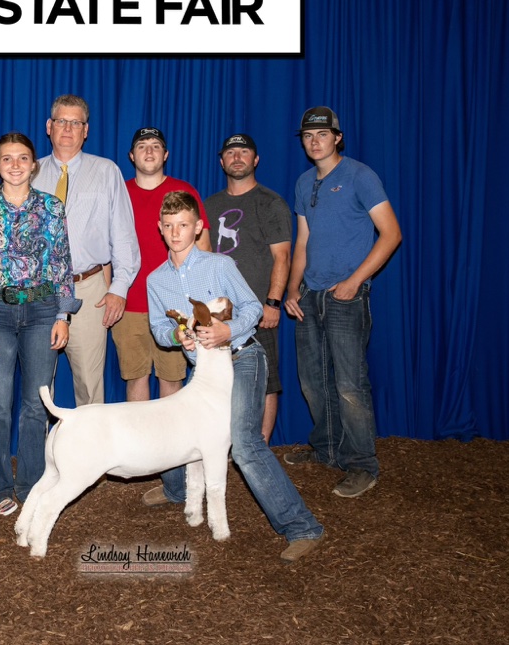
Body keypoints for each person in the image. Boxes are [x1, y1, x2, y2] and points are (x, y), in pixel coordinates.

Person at [146, 191, 324, 563]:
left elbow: (251, 308)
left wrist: (228, 331)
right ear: (160, 229)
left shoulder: (220, 265)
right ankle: (178, 490)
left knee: (243, 444)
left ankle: (302, 526)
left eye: (183, 225)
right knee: (177, 427)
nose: (176, 233)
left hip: (243, 356)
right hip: (204, 371)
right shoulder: (156, 280)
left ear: (198, 228)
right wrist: (177, 335)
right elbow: (160, 329)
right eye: (169, 226)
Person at [283, 107, 402, 499]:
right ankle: (327, 449)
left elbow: (391, 234)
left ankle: (363, 464)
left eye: (322, 134)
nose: (314, 141)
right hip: (310, 296)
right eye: (308, 135)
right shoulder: (304, 183)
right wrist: (293, 289)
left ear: (337, 137)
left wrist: (355, 281)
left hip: (346, 296)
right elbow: (303, 241)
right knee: (313, 380)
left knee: (350, 383)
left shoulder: (360, 175)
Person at [0, 132, 81, 517]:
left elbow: (61, 262)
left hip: (43, 311)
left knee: (36, 404)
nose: (15, 165)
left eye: (22, 158)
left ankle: (32, 486)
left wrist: (63, 316)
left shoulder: (51, 207)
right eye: (7, 159)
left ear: (34, 165)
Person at [30, 94, 140, 406]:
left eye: (75, 123)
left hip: (88, 289)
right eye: (61, 121)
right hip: (39, 290)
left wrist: (119, 288)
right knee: (38, 389)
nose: (67, 128)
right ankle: (42, 441)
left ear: (86, 130)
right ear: (49, 126)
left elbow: (124, 235)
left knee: (91, 389)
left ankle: (92, 442)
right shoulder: (29, 172)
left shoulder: (107, 171)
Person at [205, 134, 292, 444]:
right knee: (220, 380)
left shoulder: (270, 203)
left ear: (255, 160)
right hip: (218, 312)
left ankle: (261, 445)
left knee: (265, 379)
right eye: (231, 152)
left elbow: (282, 257)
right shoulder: (210, 205)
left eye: (244, 152)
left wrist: (273, 302)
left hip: (256, 309)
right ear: (222, 161)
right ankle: (225, 443)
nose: (237, 157)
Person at [114, 126, 210, 402]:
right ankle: (141, 434)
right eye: (142, 146)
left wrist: (197, 302)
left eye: (156, 146)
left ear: (165, 154)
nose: (149, 151)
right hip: (130, 303)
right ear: (131, 155)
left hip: (175, 306)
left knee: (171, 378)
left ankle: (171, 434)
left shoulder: (183, 191)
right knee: (135, 377)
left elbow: (203, 247)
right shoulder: (119, 193)